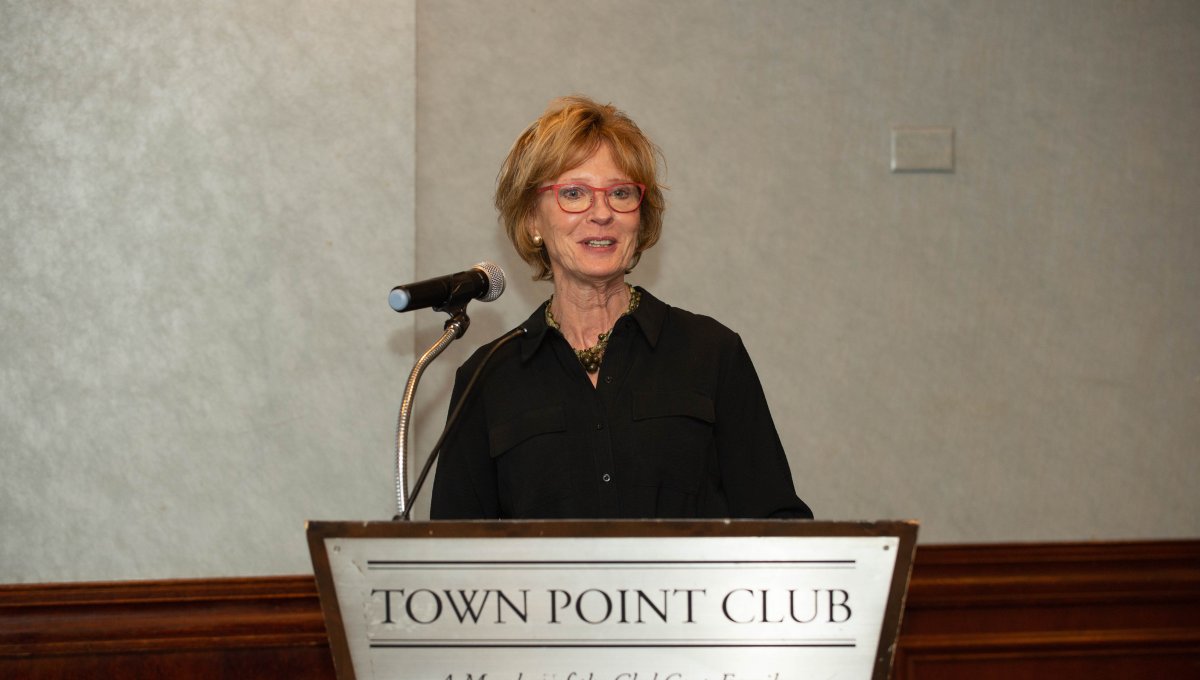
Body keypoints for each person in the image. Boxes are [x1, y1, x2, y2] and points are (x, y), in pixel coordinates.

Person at [429, 95, 812, 520]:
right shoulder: (487, 378)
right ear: (532, 219)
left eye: (620, 193)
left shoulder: (712, 353)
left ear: (640, 217)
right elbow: (451, 551)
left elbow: (779, 527)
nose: (602, 213)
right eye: (574, 193)